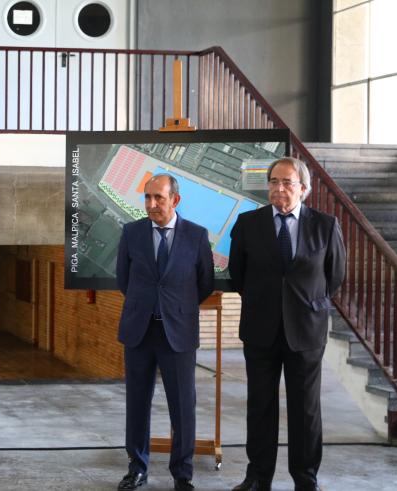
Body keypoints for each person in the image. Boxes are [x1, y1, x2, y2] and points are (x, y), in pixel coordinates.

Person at [229, 157, 345, 491]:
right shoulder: (248, 223)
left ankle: (306, 479)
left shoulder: (325, 225)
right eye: (274, 181)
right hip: (260, 329)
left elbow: (335, 276)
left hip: (306, 330)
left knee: (305, 410)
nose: (279, 188)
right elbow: (238, 274)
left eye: (287, 182)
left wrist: (308, 303)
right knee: (260, 406)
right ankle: (257, 477)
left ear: (303, 189)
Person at [115, 174, 214, 491]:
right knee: (137, 404)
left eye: (158, 197)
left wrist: (175, 308)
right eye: (147, 197)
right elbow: (123, 280)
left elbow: (204, 284)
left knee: (183, 407)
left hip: (178, 333)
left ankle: (182, 474)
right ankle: (137, 468)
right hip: (139, 331)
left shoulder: (196, 236)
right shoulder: (131, 233)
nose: (151, 204)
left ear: (175, 200)